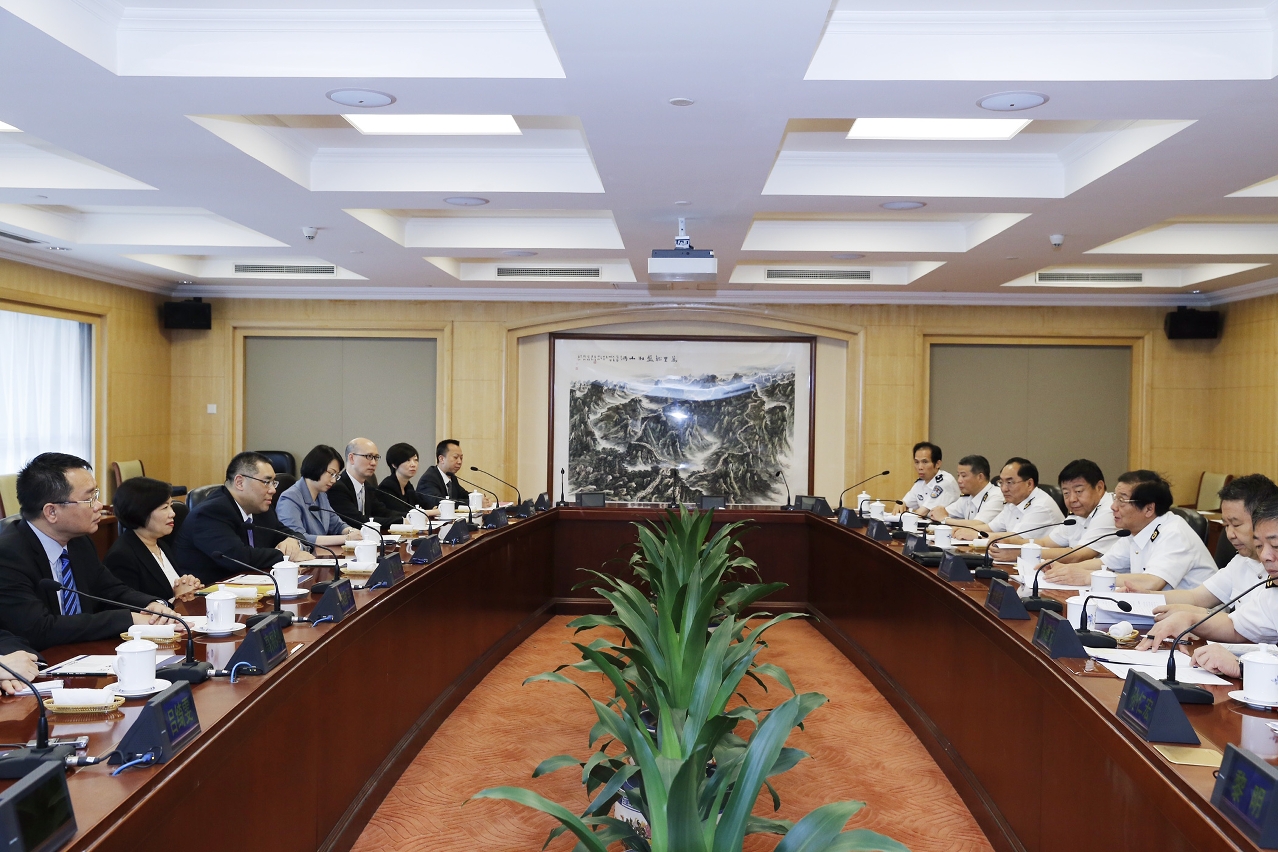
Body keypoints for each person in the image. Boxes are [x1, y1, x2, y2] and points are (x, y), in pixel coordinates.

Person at [0, 453, 181, 650]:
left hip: (84, 653)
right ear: (51, 512)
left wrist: (150, 605)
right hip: (38, 664)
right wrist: (128, 619)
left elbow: (110, 590)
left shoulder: (79, 542)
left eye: (96, 495)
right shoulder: (8, 555)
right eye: (89, 499)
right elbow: (39, 629)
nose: (98, 506)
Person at [1134, 475, 1278, 654]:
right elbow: (1232, 623)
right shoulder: (1242, 562)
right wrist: (1145, 597)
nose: (1230, 534)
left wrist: (1192, 617)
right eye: (1225, 525)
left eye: (1236, 524)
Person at [1045, 470, 1215, 590]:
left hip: (1199, 624)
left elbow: (1152, 582)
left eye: (1122, 500)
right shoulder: (1135, 530)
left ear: (1148, 509)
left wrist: (1086, 577)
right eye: (1115, 498)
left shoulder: (1174, 533)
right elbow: (1104, 563)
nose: (1113, 507)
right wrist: (1064, 569)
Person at [172, 452, 306, 585]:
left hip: (252, 589)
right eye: (266, 482)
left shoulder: (261, 508)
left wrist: (293, 542)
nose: (273, 490)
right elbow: (238, 558)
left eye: (273, 483)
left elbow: (286, 533)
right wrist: (285, 556)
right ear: (240, 482)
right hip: (210, 598)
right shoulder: (210, 513)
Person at [988, 459, 1116, 563]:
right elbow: (1045, 542)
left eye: (1078, 491)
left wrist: (1021, 553)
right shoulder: (1078, 514)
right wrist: (1010, 542)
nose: (1072, 499)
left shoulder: (1110, 512)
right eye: (1066, 493)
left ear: (1099, 487)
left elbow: (1078, 554)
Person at [103, 476, 203, 601]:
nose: (173, 513)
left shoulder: (161, 544)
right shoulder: (121, 556)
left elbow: (174, 587)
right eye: (165, 507)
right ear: (141, 511)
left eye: (171, 506)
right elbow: (132, 609)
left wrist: (188, 585)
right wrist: (177, 598)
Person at [951, 457, 1064, 540]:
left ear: (1029, 484)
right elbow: (991, 527)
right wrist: (963, 529)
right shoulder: (1012, 503)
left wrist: (976, 535)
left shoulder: (1041, 506)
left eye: (1009, 482)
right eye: (1001, 482)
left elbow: (1015, 538)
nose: (1004, 489)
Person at [275, 445, 363, 548]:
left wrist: (353, 532)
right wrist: (346, 538)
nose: (334, 480)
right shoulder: (289, 498)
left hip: (322, 555)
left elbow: (336, 524)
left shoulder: (321, 495)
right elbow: (297, 538)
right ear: (316, 467)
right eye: (331, 473)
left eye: (336, 476)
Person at [327, 438, 402, 529]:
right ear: (352, 458)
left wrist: (409, 517)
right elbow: (358, 521)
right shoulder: (337, 487)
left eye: (376, 457)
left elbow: (383, 512)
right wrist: (401, 521)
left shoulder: (367, 486)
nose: (374, 463)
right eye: (369, 456)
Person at [928, 454, 1002, 524]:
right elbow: (943, 513)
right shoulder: (967, 497)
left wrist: (945, 519)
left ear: (980, 477)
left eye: (963, 476)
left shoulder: (996, 496)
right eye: (958, 475)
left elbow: (979, 524)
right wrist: (938, 512)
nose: (959, 480)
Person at [901, 442, 959, 514]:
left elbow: (922, 513)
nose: (920, 467)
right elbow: (904, 504)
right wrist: (900, 505)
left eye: (925, 462)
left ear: (938, 464)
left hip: (950, 524)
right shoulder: (920, 482)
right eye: (916, 462)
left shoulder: (945, 482)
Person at [379, 442, 437, 514]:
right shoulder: (387, 487)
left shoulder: (408, 486)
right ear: (394, 465)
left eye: (415, 460)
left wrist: (433, 508)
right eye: (408, 460)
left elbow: (422, 504)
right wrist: (432, 512)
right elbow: (402, 512)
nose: (413, 464)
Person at [416, 439, 469, 509]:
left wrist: (479, 498)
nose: (459, 461)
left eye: (461, 458)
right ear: (441, 459)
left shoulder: (451, 477)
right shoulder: (429, 478)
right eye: (455, 457)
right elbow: (439, 502)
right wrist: (471, 502)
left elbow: (463, 495)